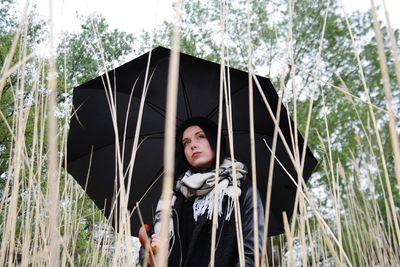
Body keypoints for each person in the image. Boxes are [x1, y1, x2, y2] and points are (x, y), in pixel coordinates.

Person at [139, 117, 264, 266]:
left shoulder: (240, 190)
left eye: (201, 136)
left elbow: (250, 256)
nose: (193, 145)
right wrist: (152, 251)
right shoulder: (174, 197)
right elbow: (148, 259)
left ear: (214, 140)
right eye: (186, 142)